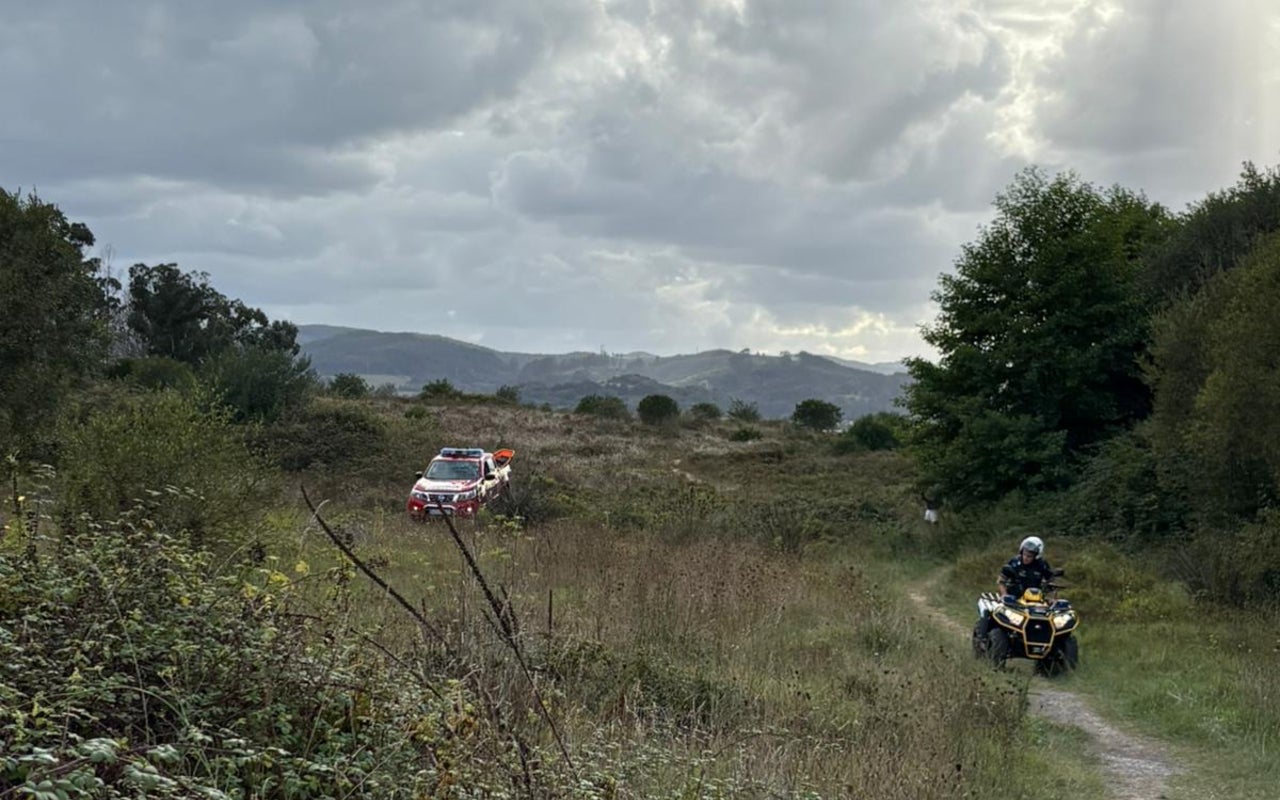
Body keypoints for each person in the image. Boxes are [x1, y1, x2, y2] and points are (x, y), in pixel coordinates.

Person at [974, 536, 1054, 646]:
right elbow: (1001, 581)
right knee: (991, 611)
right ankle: (981, 640)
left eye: (1030, 556)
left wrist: (1051, 598)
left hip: (1034, 601)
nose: (1026, 558)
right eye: (1025, 554)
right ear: (1021, 550)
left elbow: (1051, 584)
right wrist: (1004, 595)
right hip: (1013, 599)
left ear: (1036, 555)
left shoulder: (1042, 565)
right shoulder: (1014, 562)